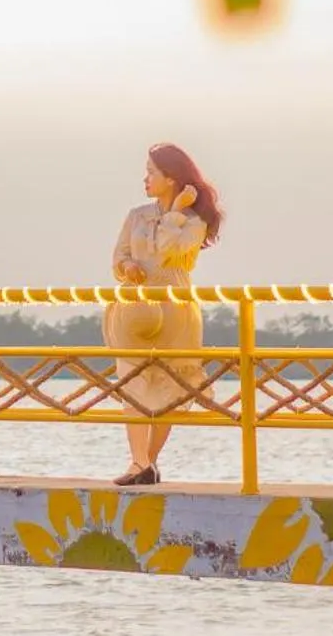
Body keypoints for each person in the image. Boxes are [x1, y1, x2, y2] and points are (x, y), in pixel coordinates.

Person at [103, 141, 224, 486]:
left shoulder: (193, 220)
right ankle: (138, 462)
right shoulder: (136, 215)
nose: (146, 179)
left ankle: (147, 464)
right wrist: (128, 268)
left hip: (175, 307)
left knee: (171, 388)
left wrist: (174, 213)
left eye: (152, 173)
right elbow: (118, 259)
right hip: (136, 306)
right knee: (133, 385)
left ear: (171, 178)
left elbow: (170, 252)